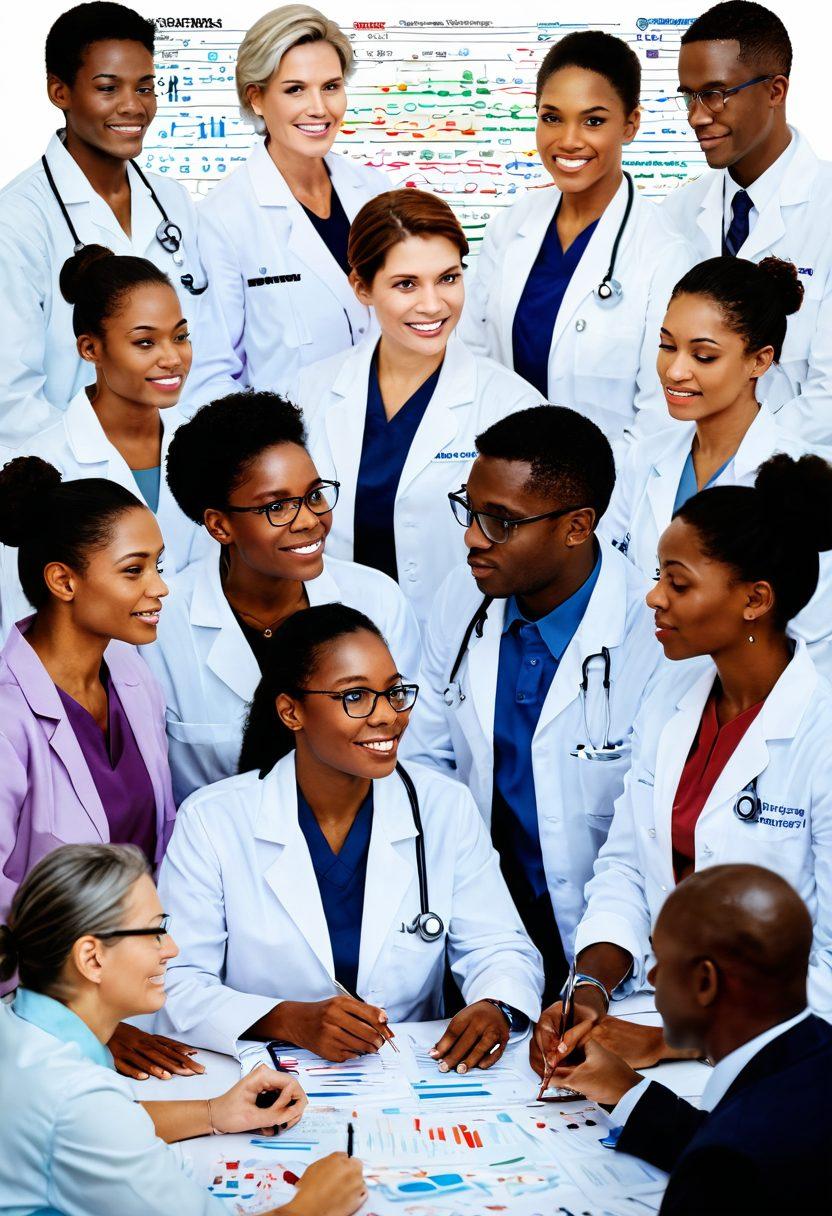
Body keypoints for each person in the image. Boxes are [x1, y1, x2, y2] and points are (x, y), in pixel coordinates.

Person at [532, 453, 832, 1078]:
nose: (653, 598)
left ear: (755, 599)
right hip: (651, 1015)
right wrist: (588, 987)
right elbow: (625, 867)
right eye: (657, 577)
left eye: (679, 582)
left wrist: (676, 1042)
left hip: (787, 1054)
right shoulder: (672, 697)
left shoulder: (820, 734)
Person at [155, 604, 544, 1065]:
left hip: (412, 1078)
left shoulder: (444, 806)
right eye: (355, 696)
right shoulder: (213, 820)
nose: (386, 716)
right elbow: (177, 981)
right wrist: (287, 1018)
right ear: (291, 712)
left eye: (394, 691)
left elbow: (499, 946)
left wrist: (494, 1004)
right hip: (266, 1074)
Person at [403, 407, 661, 1004]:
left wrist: (597, 970)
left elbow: (645, 829)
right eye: (470, 510)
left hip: (613, 946)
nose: (472, 536)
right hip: (484, 932)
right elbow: (428, 763)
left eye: (500, 522)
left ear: (577, 527)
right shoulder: (463, 598)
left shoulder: (652, 636)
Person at [0, 842, 366, 1216]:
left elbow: (93, 1128)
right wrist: (312, 1206)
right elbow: (87, 1119)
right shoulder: (77, 1099)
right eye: (156, 931)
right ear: (92, 958)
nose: (172, 949)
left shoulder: (16, 1028)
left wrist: (215, 1113)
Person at [0, 457, 201, 1081]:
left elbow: (157, 848)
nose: (159, 587)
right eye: (134, 570)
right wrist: (84, 1023)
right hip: (36, 1020)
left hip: (133, 999)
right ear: (63, 581)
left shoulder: (135, 681)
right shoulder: (6, 713)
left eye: (159, 565)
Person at [142, 392, 420, 806]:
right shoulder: (162, 623)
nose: (309, 520)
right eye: (277, 506)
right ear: (219, 525)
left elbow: (407, 751)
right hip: (218, 858)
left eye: (314, 496)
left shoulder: (376, 599)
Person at [296, 188, 541, 628]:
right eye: (406, 284)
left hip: (462, 642)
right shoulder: (310, 393)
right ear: (362, 287)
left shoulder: (513, 407)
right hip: (334, 641)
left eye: (448, 278)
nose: (433, 305)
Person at [545, 865, 832, 1216]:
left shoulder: (725, 1166)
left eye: (661, 960)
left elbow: (727, 1163)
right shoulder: (814, 1055)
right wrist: (627, 1091)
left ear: (704, 982)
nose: (650, 975)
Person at [0, 3, 217, 451]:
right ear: (60, 92)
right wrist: (93, 472)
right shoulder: (18, 217)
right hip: (71, 476)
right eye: (107, 87)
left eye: (145, 87)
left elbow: (199, 345)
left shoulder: (172, 201)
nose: (133, 106)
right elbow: (11, 395)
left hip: (176, 460)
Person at [462, 30, 694, 447]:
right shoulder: (508, 228)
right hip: (504, 475)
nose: (568, 140)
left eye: (593, 121)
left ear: (631, 124)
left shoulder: (667, 253)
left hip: (608, 492)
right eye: (552, 117)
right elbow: (475, 363)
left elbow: (662, 414)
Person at [600, 256, 832, 673]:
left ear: (759, 361)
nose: (675, 371)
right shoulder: (645, 458)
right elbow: (614, 588)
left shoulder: (803, 483)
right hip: (635, 691)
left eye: (703, 356)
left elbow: (812, 646)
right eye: (667, 346)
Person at [0, 245, 211, 637]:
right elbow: (26, 620)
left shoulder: (210, 445)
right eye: (145, 342)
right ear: (90, 348)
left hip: (202, 681)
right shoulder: (45, 466)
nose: (172, 358)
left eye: (180, 336)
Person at [186, 4, 389, 403]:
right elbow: (210, 374)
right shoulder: (223, 218)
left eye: (331, 86)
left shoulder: (375, 191)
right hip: (292, 448)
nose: (319, 108)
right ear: (256, 98)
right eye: (295, 89)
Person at [663, 1, 832, 446]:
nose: (697, 116)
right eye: (689, 96)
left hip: (797, 481)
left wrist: (733, 457)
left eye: (716, 94)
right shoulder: (675, 214)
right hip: (687, 472)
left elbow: (827, 397)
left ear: (776, 90)